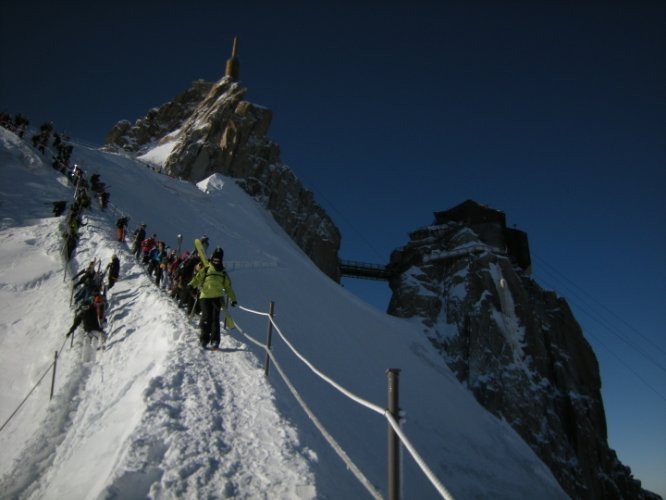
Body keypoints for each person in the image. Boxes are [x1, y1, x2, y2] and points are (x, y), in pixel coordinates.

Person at [188, 240, 237, 350]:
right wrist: (191, 285)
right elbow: (198, 278)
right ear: (212, 258)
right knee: (207, 317)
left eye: (218, 260)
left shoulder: (223, 273)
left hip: (217, 298)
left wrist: (233, 299)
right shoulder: (206, 269)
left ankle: (215, 340)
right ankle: (204, 339)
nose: (216, 261)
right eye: (215, 259)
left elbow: (228, 287)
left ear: (221, 260)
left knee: (215, 319)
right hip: (205, 296)